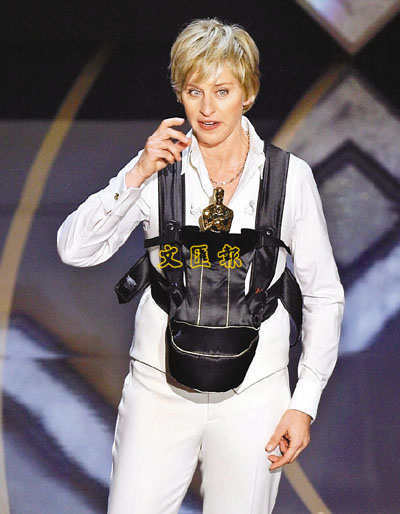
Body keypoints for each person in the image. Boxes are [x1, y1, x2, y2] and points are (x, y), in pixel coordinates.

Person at [57, 18, 344, 514]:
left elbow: (323, 295)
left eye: (222, 91)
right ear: (180, 94)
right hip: (158, 388)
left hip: (256, 393)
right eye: (194, 91)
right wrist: (136, 173)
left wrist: (304, 402)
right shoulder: (157, 166)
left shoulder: (289, 177)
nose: (207, 108)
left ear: (247, 94)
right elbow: (75, 249)